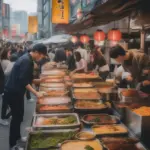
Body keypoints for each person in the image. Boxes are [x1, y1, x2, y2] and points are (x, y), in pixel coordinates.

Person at [3, 43, 47, 150]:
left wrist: (39, 81)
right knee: (16, 118)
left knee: (19, 116)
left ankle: (17, 138)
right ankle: (13, 144)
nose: (41, 58)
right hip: (13, 92)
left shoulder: (28, 59)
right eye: (41, 55)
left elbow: (27, 78)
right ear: (36, 52)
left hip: (16, 92)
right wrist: (36, 93)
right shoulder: (27, 61)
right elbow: (23, 81)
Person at [0, 48, 11, 125]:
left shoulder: (1, 61)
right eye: (9, 53)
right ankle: (3, 118)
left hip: (4, 84)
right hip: (4, 85)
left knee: (6, 101)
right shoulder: (6, 62)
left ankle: (5, 116)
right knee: (5, 102)